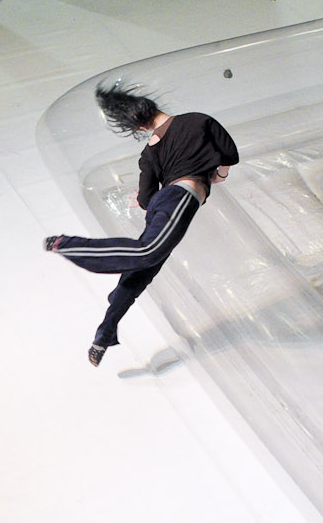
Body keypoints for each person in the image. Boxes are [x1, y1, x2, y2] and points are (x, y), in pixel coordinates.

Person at [44, 83, 240, 366]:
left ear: (135, 124)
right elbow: (229, 153)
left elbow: (147, 199)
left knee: (137, 277)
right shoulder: (197, 120)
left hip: (164, 203)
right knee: (146, 252)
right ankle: (68, 244)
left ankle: (103, 336)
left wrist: (151, 194)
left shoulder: (149, 153)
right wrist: (219, 174)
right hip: (181, 198)